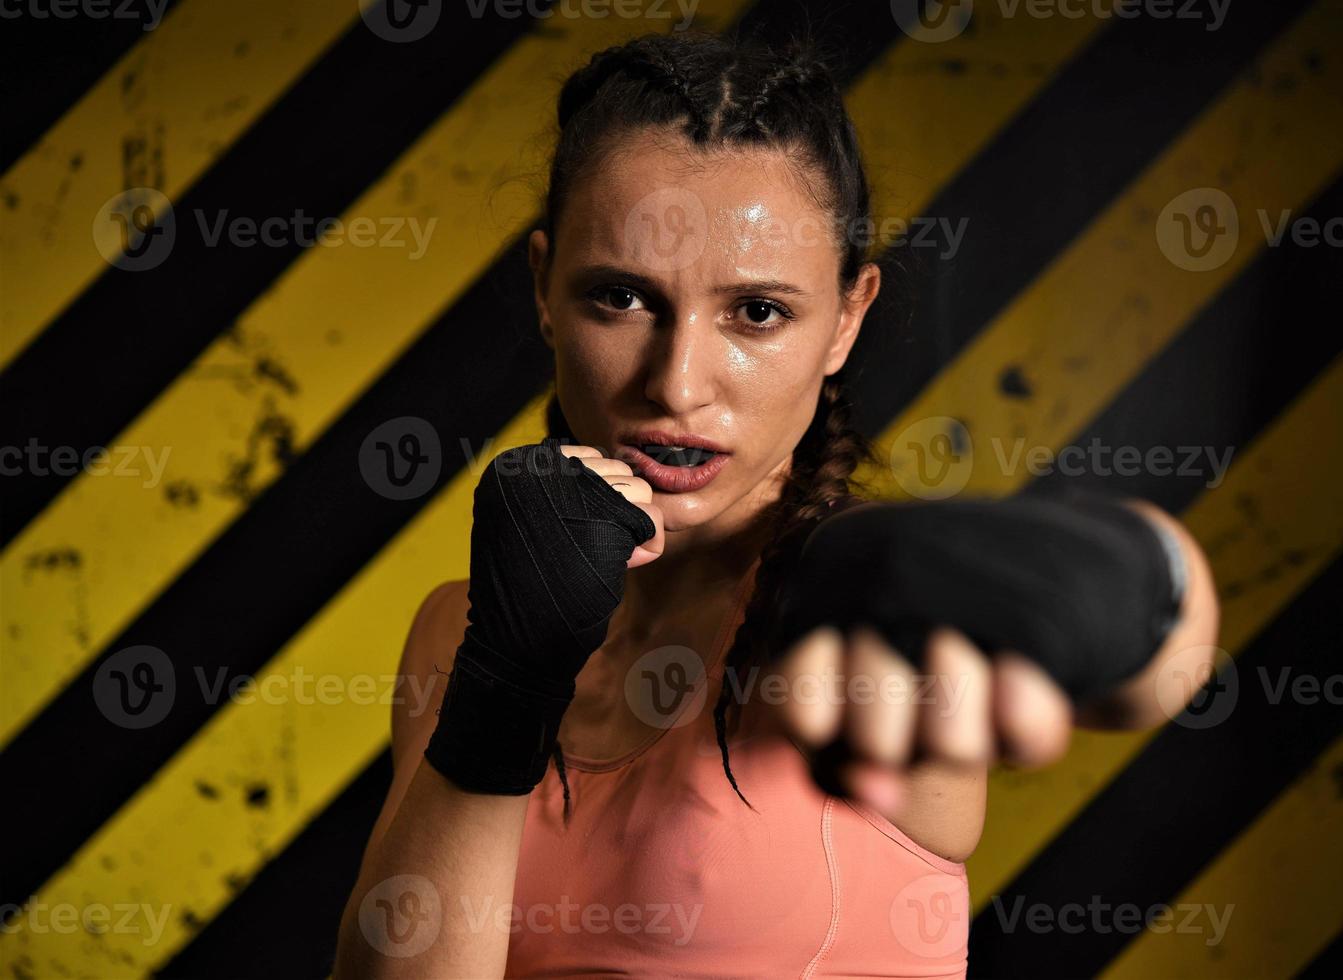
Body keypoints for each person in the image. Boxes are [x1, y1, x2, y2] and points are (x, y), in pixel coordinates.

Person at [334, 28, 1219, 979]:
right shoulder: (454, 632)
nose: (677, 384)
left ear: (846, 317)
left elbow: (1159, 666)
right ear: (546, 289)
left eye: (757, 312)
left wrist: (1113, 582)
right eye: (622, 297)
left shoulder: (841, 633)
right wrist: (507, 681)